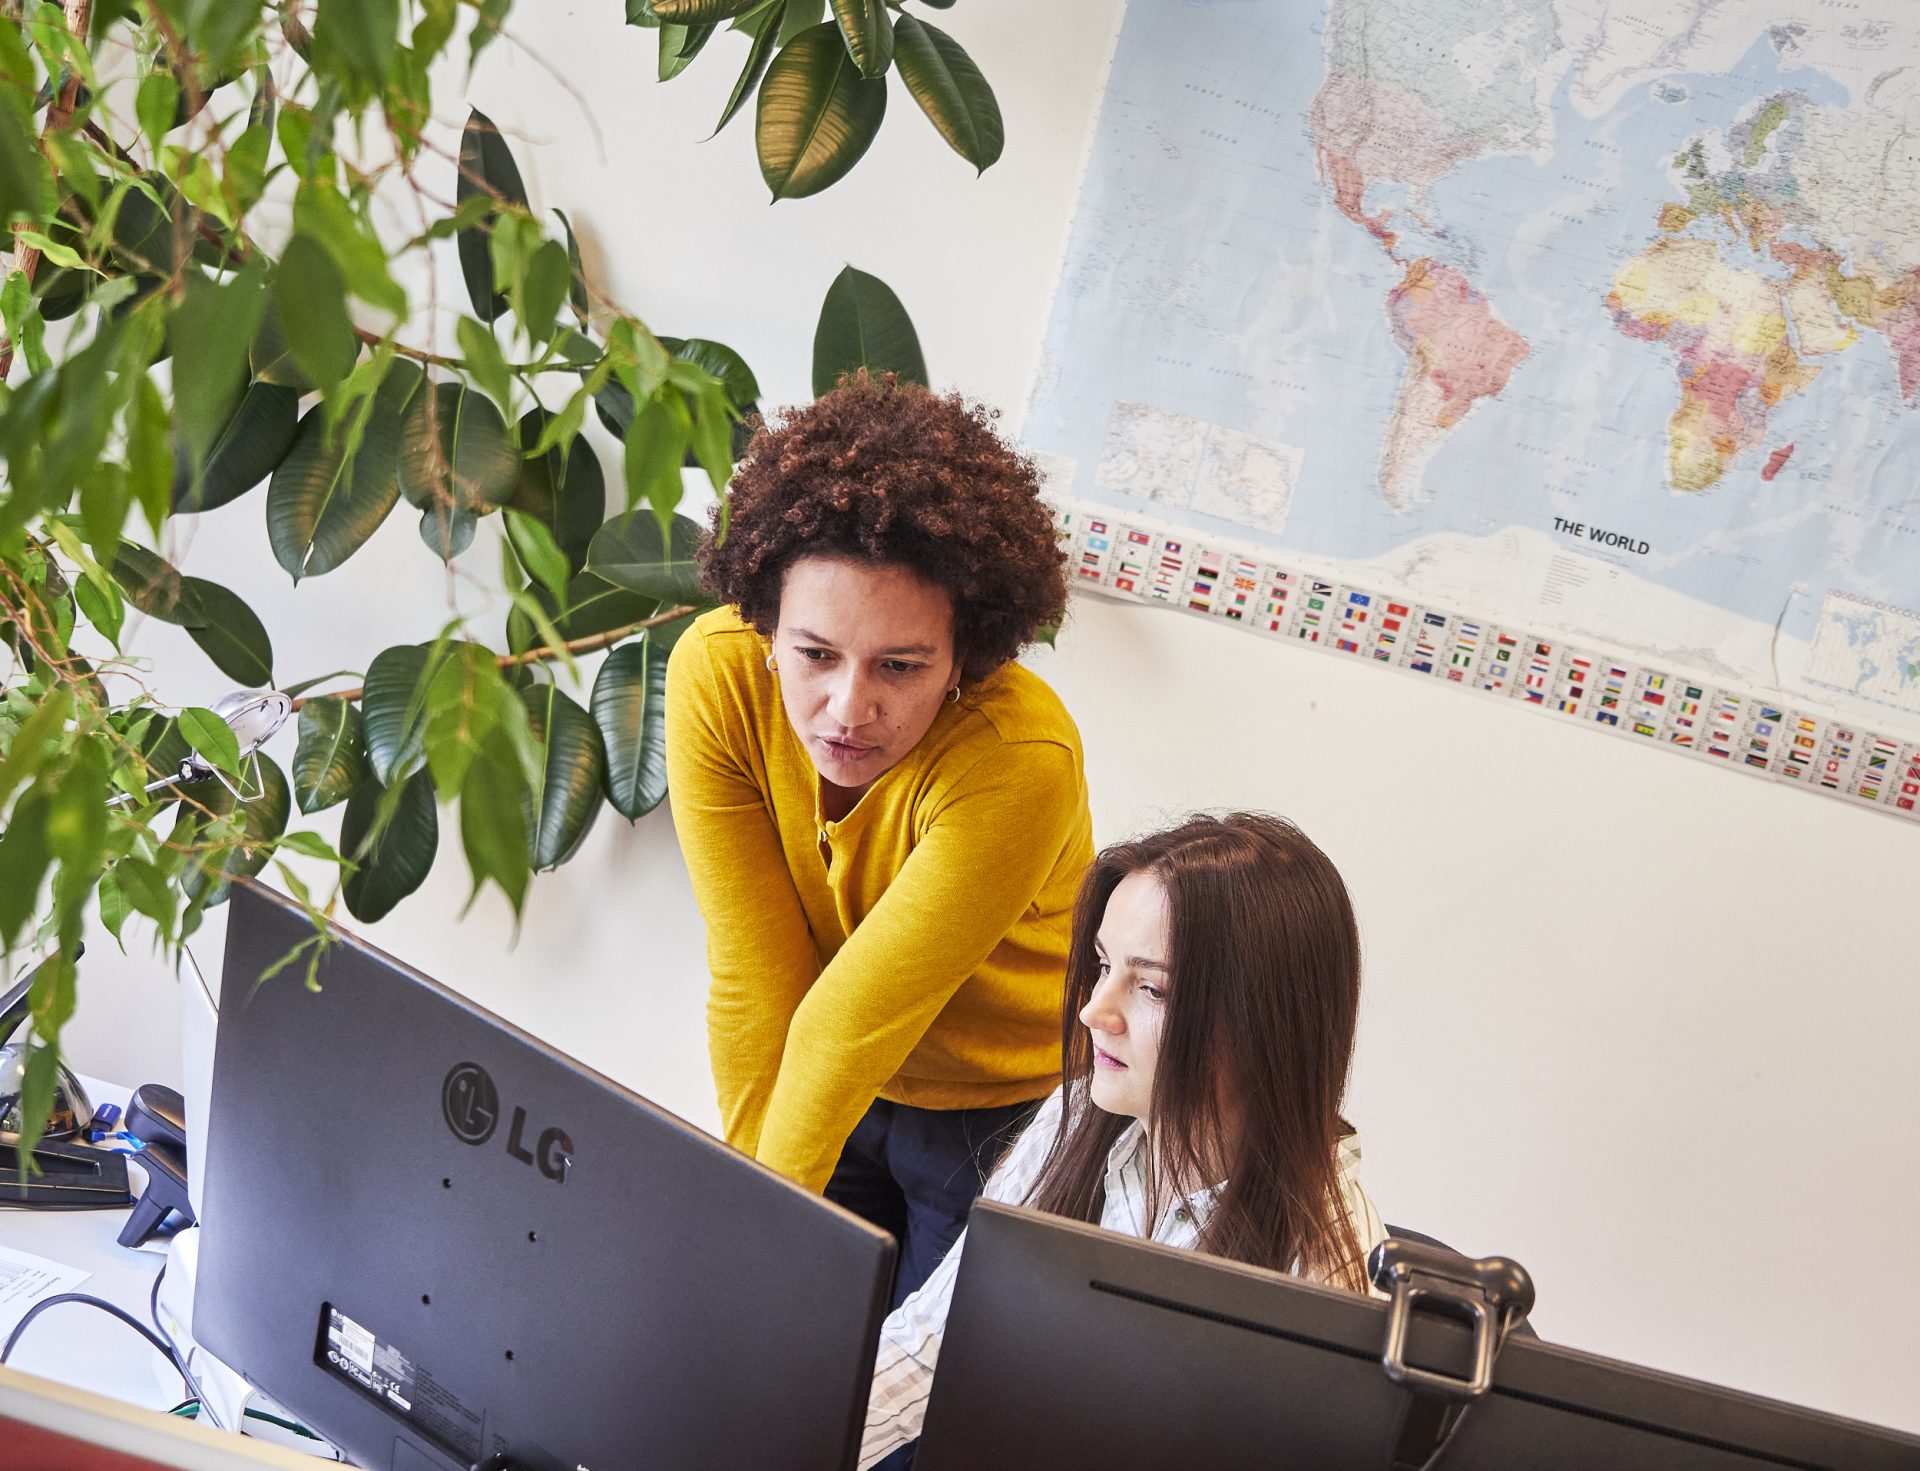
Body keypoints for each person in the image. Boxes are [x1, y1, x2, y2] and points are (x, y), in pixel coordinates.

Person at [665, 371, 1095, 1306]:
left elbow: (849, 1022)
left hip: (998, 1110)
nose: (847, 708)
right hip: (831, 1077)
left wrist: (750, 1228)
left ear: (967, 655)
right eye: (814, 653)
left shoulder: (1017, 756)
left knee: (915, 1388)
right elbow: (757, 976)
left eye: (900, 666)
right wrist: (746, 1215)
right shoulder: (718, 678)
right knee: (785, 1331)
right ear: (766, 622)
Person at [859, 812, 1389, 1469]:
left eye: (1150, 988)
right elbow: (929, 1346)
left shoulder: (1332, 1268)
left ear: (1265, 1022)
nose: (1093, 1010)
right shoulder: (1076, 1115)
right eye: (1103, 965)